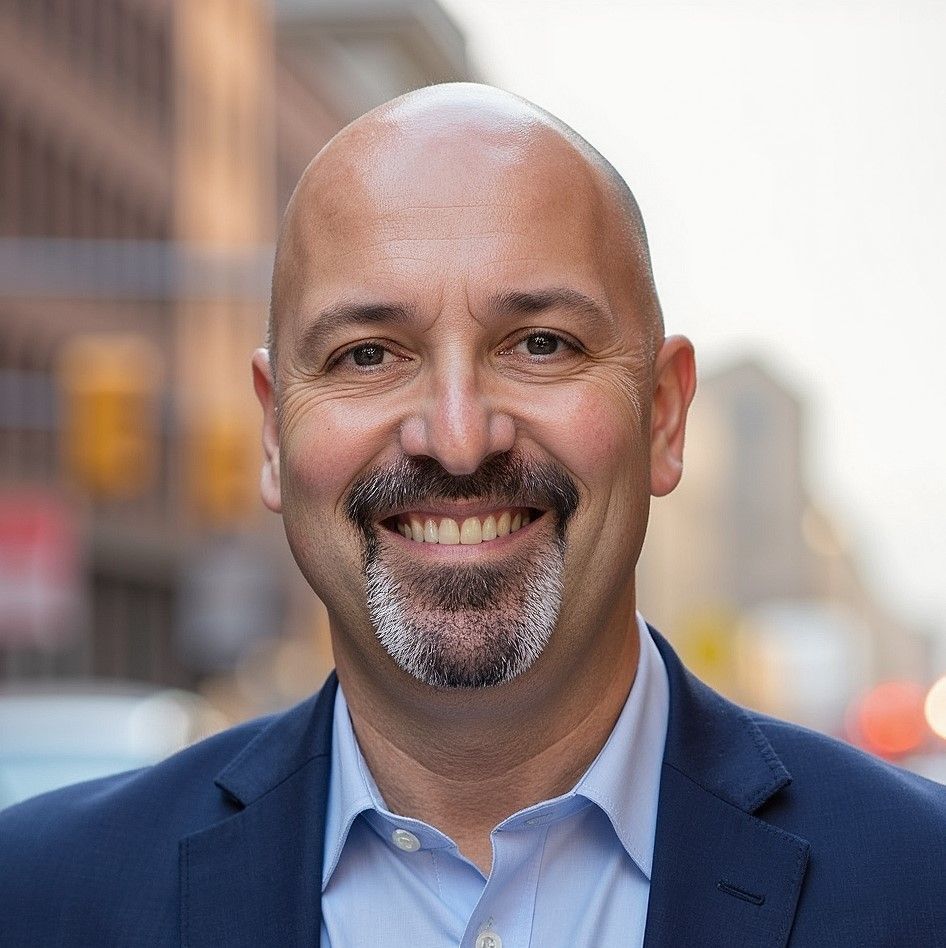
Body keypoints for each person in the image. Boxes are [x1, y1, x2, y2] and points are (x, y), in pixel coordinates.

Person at [1, 83, 945, 948]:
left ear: (662, 414)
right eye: (368, 355)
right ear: (275, 434)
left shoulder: (921, 887)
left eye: (540, 343)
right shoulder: (39, 900)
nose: (456, 438)